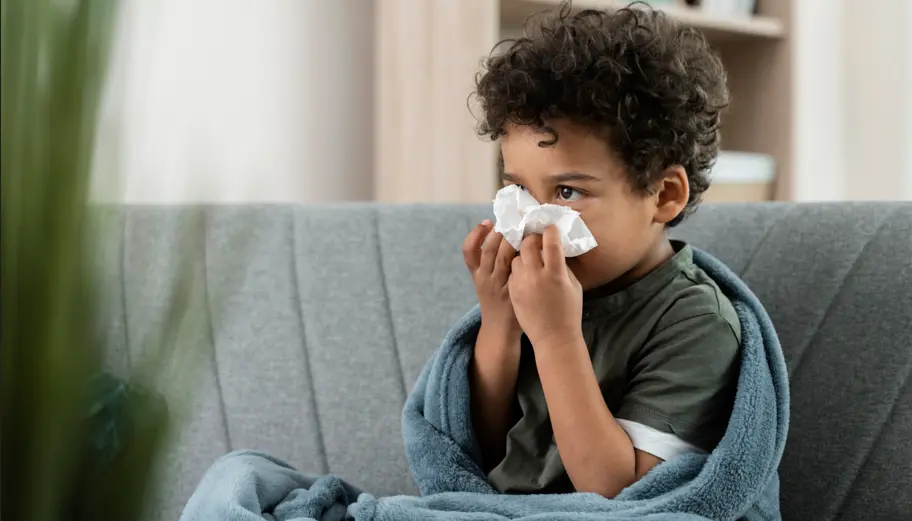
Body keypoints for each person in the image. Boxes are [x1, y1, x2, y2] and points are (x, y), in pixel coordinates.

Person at [462, 3, 739, 498]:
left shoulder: (694, 321)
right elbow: (480, 450)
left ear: (664, 195)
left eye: (568, 193)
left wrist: (554, 339)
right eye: (521, 192)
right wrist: (499, 323)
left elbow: (621, 492)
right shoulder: (542, 288)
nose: (534, 223)